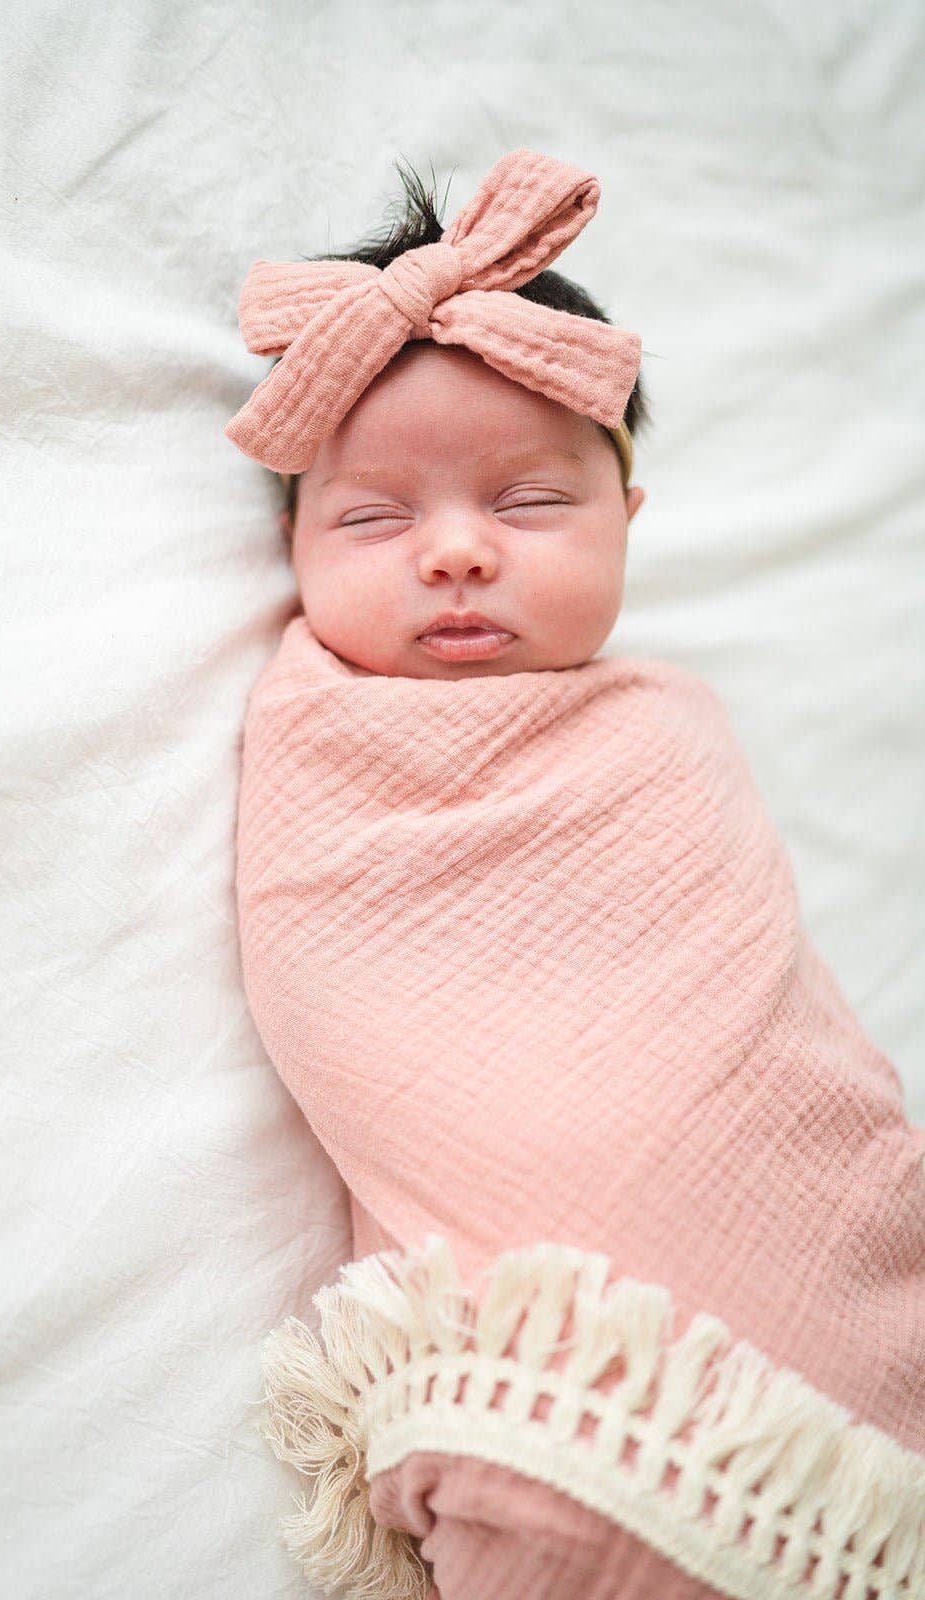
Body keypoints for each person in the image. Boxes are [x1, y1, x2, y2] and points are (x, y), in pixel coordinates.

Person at [227, 151, 925, 1600]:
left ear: (628, 520)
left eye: (530, 505)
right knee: (555, 1458)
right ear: (288, 552)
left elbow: (753, 1010)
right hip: (545, 1360)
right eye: (372, 519)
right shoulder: (321, 731)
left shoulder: (661, 729)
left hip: (803, 1211)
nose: (461, 554)